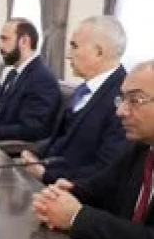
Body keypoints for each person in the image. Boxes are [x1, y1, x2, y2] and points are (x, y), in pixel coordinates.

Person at [32, 60, 154, 239]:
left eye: (135, 100)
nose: (120, 111)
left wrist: (77, 218)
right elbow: (100, 188)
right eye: (122, 99)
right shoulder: (140, 148)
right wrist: (65, 194)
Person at [23, 15, 127, 184]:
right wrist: (34, 154)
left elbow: (107, 168)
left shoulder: (124, 99)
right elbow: (62, 139)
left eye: (74, 46)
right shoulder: (84, 89)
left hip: (73, 191)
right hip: (47, 177)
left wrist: (45, 175)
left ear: (98, 52)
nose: (67, 55)